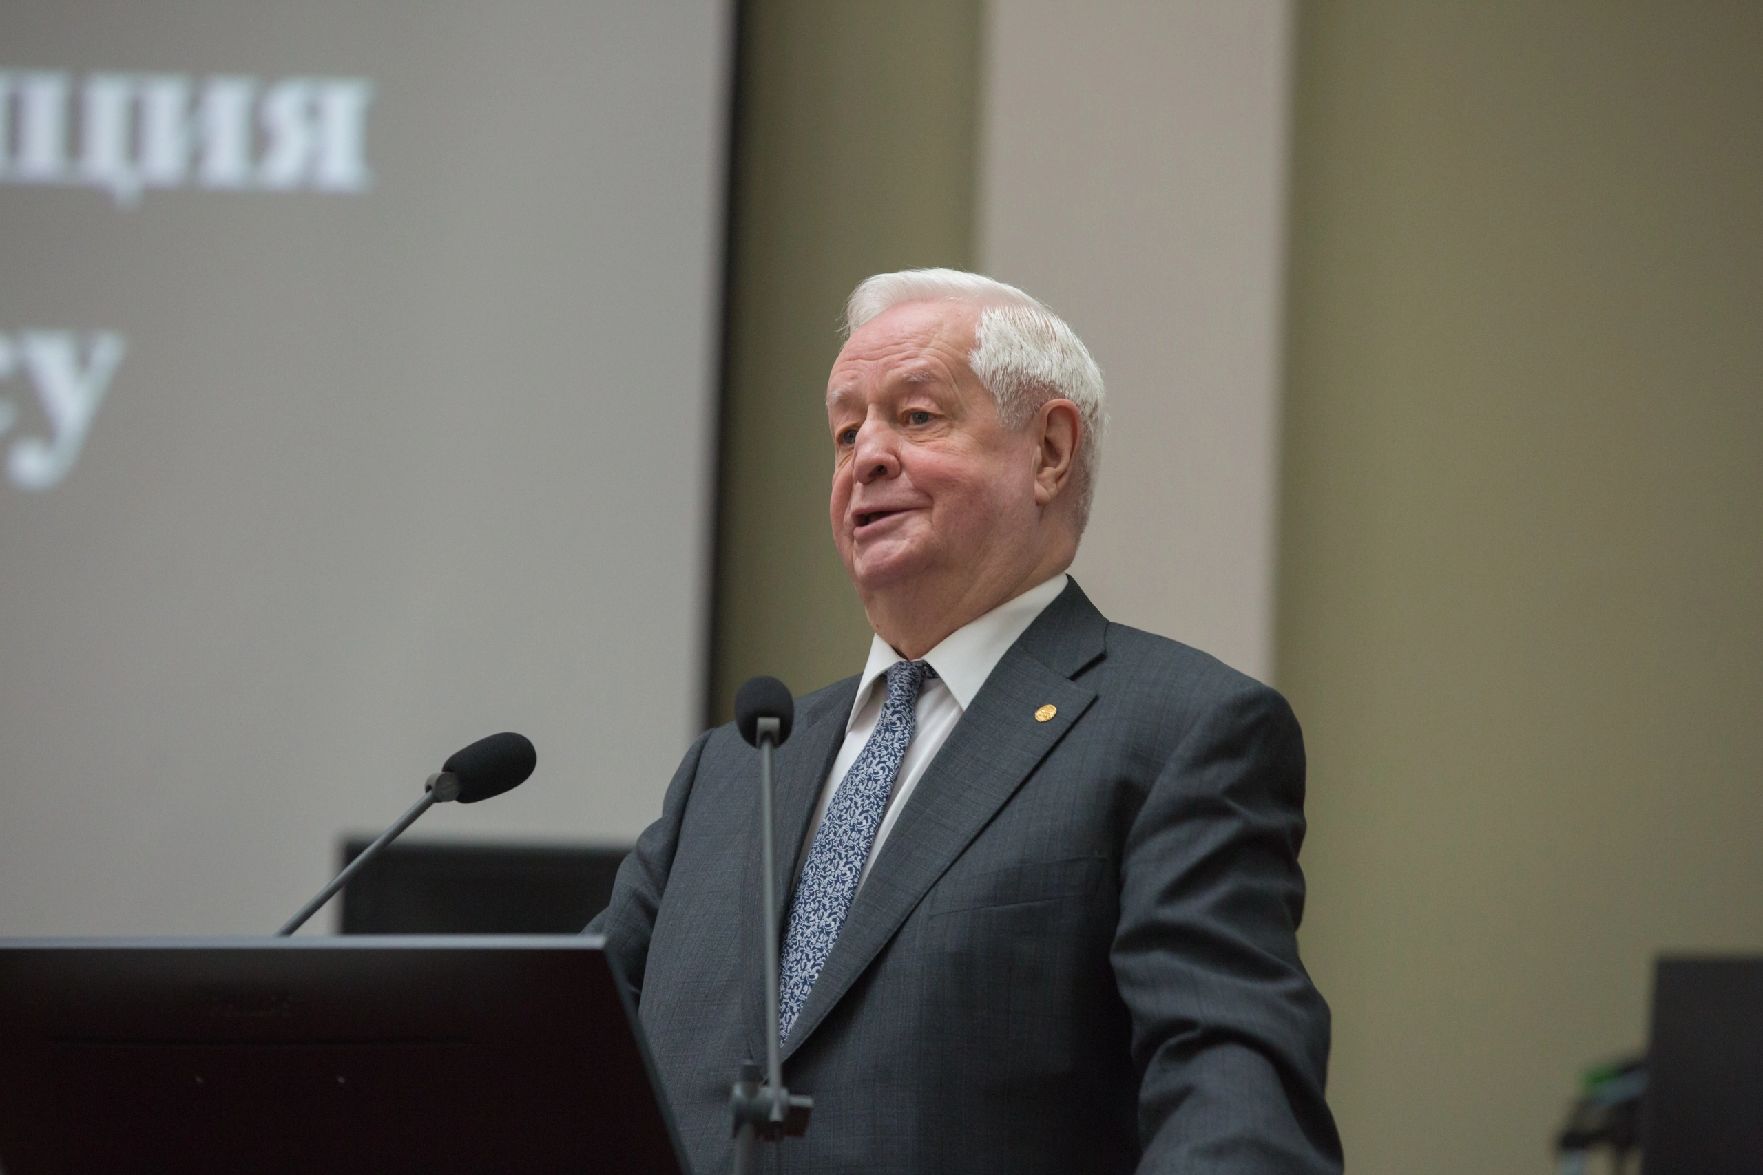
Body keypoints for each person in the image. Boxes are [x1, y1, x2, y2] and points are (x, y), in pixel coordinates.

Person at [589, 269, 1342, 1174]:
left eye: (916, 417)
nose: (866, 456)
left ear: (1049, 451)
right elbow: (549, 1050)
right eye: (845, 431)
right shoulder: (732, 769)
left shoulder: (1178, 732)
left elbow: (1232, 1098)